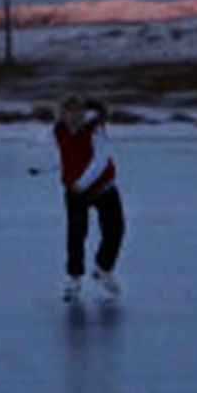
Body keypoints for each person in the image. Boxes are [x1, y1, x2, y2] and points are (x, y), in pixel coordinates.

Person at [51, 94, 125, 302]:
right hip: (74, 192)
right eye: (68, 111)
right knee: (76, 235)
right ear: (62, 114)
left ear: (83, 113)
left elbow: (100, 160)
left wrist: (82, 183)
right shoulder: (59, 131)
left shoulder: (96, 130)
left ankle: (103, 268)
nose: (73, 116)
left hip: (103, 189)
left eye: (77, 111)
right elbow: (40, 142)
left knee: (115, 230)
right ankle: (74, 278)